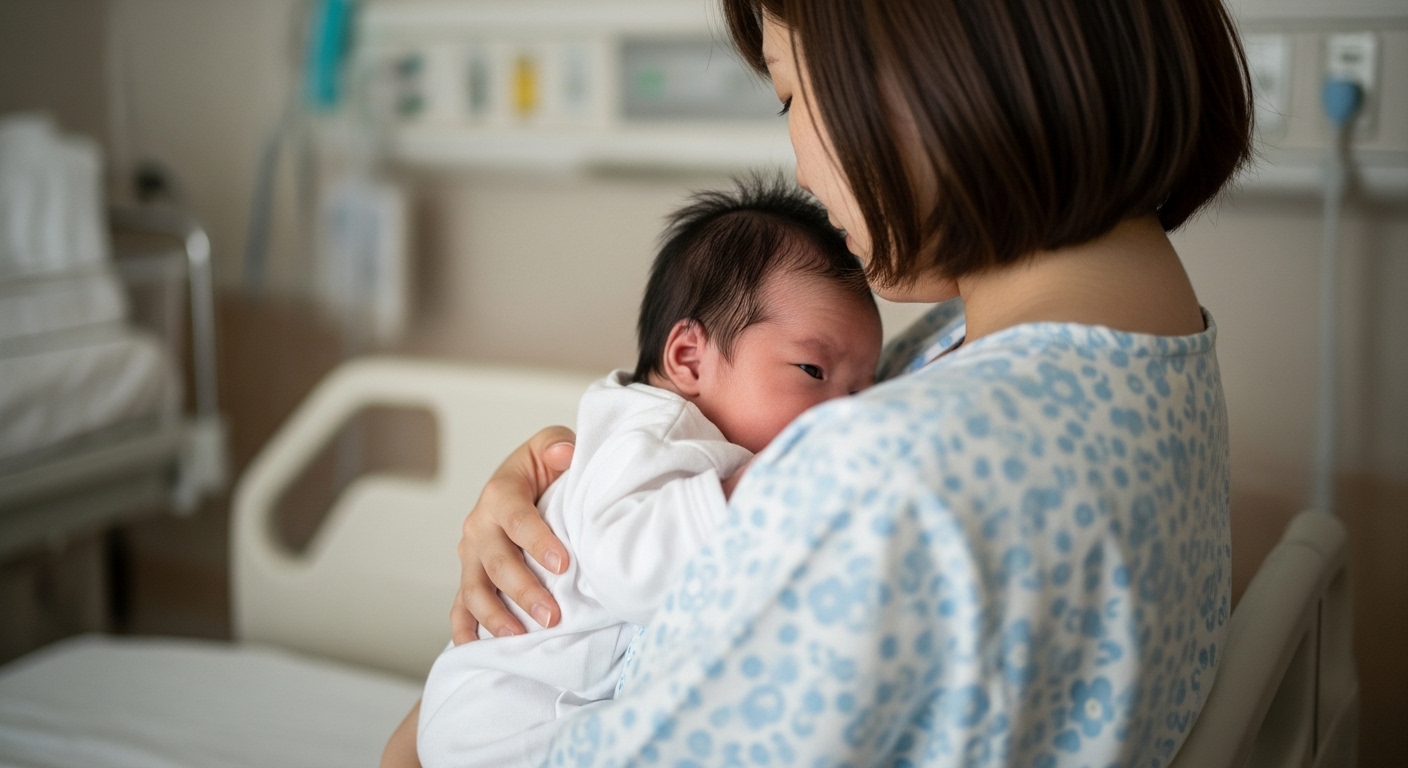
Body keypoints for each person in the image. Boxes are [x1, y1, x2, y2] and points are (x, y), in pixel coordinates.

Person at [384, 0, 1251, 765]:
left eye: (792, 93)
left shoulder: (880, 476)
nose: (798, 163)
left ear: (935, 53)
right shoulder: (1111, 353)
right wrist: (557, 481)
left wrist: (420, 737)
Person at [414, 177, 882, 768]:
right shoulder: (652, 436)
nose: (845, 411)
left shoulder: (670, 438)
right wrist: (753, 491)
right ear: (688, 356)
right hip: (510, 720)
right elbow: (626, 564)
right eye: (814, 370)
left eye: (866, 389)